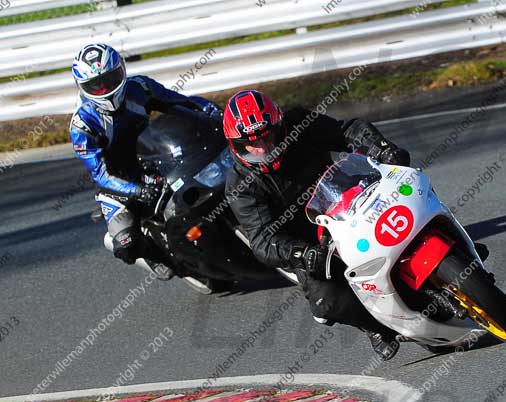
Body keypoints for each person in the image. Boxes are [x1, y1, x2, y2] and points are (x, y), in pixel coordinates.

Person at [223, 90, 410, 359]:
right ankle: (376, 327)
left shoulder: (298, 123)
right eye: (252, 144)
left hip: (347, 200)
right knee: (326, 303)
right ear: (237, 145)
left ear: (279, 125)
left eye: (268, 135)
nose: (263, 148)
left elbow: (347, 131)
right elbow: (262, 240)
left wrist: (381, 148)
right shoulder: (239, 185)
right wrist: (299, 252)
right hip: (310, 242)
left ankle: (458, 249)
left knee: (407, 189)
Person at [69, 43, 219, 277]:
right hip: (117, 181)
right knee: (125, 242)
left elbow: (179, 102)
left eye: (110, 79)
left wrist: (210, 110)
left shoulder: (140, 87)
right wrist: (136, 190)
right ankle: (154, 256)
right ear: (83, 87)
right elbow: (100, 174)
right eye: (95, 86)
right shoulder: (83, 125)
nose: (105, 88)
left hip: (153, 155)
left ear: (122, 70)